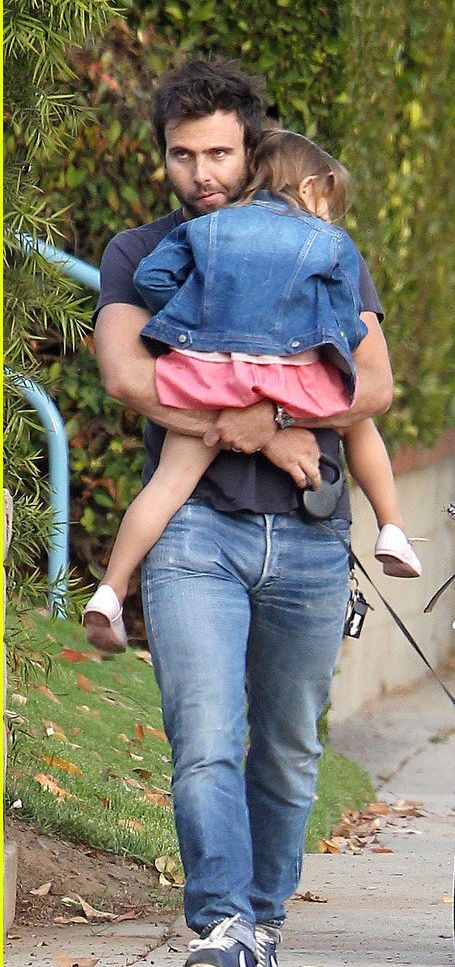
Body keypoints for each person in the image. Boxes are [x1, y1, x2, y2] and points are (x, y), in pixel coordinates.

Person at [93, 56, 395, 967]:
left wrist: (273, 423)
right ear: (164, 161)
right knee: (204, 736)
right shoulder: (141, 251)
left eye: (219, 152)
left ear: (253, 146)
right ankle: (221, 923)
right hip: (192, 533)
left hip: (307, 538)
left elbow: (375, 384)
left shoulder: (313, 243)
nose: (202, 174)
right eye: (182, 156)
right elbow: (123, 377)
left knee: (289, 748)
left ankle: (262, 924)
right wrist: (252, 425)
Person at [84, 128, 420, 654]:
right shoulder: (327, 242)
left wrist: (189, 314)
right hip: (289, 374)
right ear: (313, 187)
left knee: (169, 484)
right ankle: (393, 527)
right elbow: (346, 325)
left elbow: (153, 277)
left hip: (211, 375)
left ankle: (111, 588)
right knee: (358, 420)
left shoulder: (213, 228)